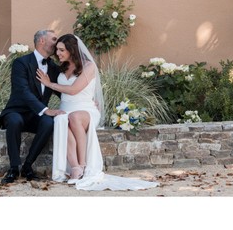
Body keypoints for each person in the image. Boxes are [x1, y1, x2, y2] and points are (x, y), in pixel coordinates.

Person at [37, 33, 157, 191]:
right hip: (66, 109)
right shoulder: (61, 66)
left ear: (72, 50)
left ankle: (83, 164)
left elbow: (73, 90)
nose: (57, 53)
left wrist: (49, 84)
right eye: (57, 49)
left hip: (86, 110)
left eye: (61, 50)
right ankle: (75, 167)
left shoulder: (89, 66)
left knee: (73, 117)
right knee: (61, 119)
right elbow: (63, 92)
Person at [0, 29, 65, 183]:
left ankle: (27, 166)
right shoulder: (21, 63)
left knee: (48, 123)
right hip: (17, 111)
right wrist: (46, 110)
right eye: (54, 39)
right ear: (42, 41)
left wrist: (83, 100)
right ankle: (14, 168)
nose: (57, 43)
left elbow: (61, 91)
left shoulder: (54, 68)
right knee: (14, 121)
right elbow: (23, 91)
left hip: (37, 115)